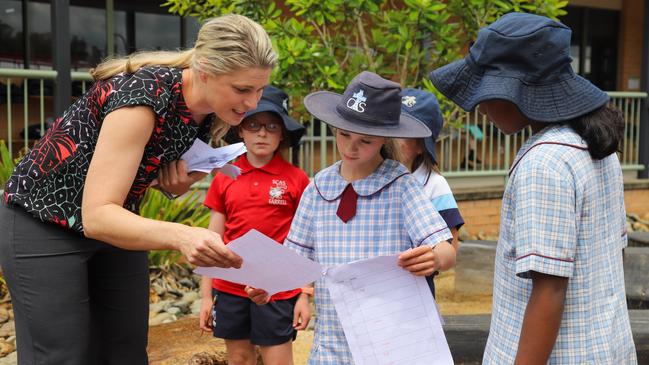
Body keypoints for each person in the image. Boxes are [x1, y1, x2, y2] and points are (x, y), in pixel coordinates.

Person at [0, 14, 276, 365]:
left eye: (260, 89)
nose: (253, 103)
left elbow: (138, 173)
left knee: (126, 352)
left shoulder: (208, 111)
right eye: (242, 89)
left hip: (115, 224)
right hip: (42, 222)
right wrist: (183, 236)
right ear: (205, 69)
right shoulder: (143, 97)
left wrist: (174, 185)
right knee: (62, 355)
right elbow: (97, 214)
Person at [429, 12, 637, 364]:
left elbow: (550, 289)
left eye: (486, 91)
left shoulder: (544, 164)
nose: (479, 108)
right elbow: (610, 258)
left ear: (520, 92)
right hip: (604, 346)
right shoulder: (594, 146)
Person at [248, 71, 456, 364]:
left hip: (391, 340)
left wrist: (435, 259)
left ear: (385, 138)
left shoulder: (401, 185)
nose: (350, 147)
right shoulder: (318, 187)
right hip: (333, 340)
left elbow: (446, 249)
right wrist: (267, 283)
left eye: (365, 141)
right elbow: (295, 261)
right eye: (344, 134)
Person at [199, 86, 311, 365]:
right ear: (240, 131)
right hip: (229, 285)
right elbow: (213, 238)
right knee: (238, 358)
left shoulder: (297, 180)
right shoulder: (225, 177)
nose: (262, 133)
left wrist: (305, 294)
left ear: (282, 134)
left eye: (271, 126)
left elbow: (308, 241)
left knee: (278, 359)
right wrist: (205, 295)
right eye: (253, 125)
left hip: (279, 288)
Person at [397, 88, 464, 297]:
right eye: (391, 127)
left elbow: (451, 248)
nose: (393, 137)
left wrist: (433, 259)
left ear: (421, 146)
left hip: (417, 292)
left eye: (405, 132)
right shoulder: (368, 178)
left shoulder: (435, 185)